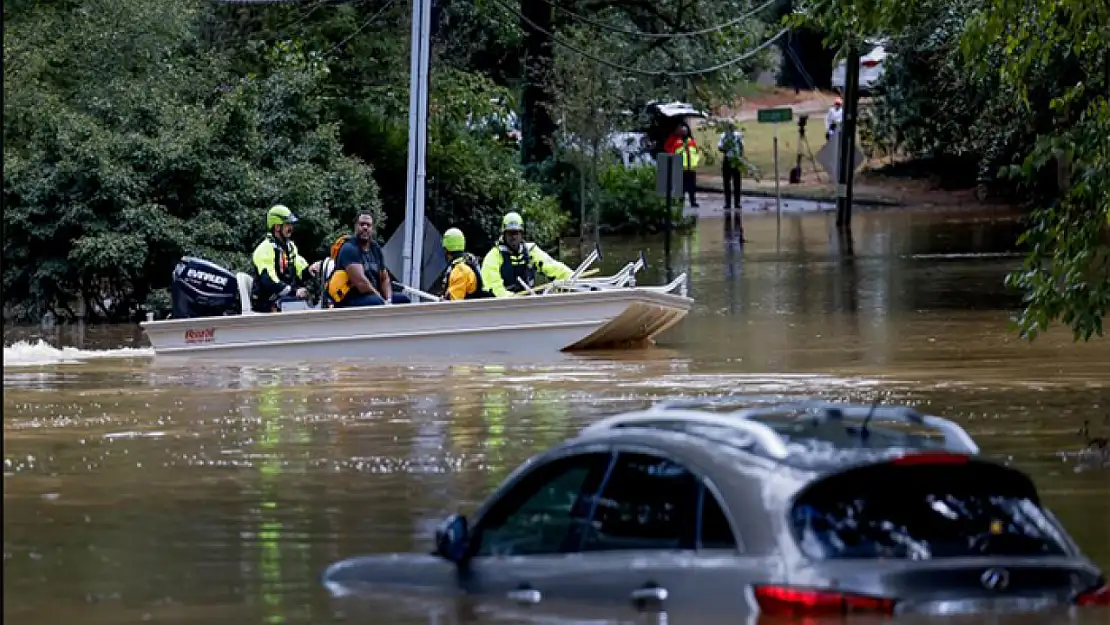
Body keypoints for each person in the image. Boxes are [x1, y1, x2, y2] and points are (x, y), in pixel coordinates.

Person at [481, 211, 573, 298]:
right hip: (504, 305)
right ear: (504, 234)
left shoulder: (530, 251)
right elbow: (493, 286)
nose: (514, 237)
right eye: (510, 233)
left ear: (521, 234)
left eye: (516, 233)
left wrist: (572, 277)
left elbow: (554, 267)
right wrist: (512, 298)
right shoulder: (494, 256)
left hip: (528, 300)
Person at [328, 212, 411, 307]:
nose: (365, 227)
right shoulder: (349, 249)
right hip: (352, 299)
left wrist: (388, 300)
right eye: (362, 224)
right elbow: (361, 283)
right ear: (356, 226)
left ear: (372, 228)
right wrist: (383, 301)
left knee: (404, 300)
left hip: (373, 296)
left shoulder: (375, 248)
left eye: (368, 225)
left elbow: (384, 278)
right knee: (377, 302)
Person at [250, 204, 321, 313]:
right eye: (288, 224)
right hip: (267, 302)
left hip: (282, 299)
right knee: (299, 304)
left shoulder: (289, 246)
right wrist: (294, 292)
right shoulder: (265, 248)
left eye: (291, 225)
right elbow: (269, 280)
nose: (291, 228)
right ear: (277, 227)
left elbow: (299, 268)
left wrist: (310, 270)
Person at [432, 228, 488, 301]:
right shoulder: (467, 262)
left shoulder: (459, 270)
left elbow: (453, 304)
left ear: (445, 249)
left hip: (467, 311)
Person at [667, 124, 700, 208]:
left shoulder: (691, 142)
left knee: (692, 187)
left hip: (691, 168)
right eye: (683, 131)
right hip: (682, 169)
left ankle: (693, 202)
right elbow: (672, 153)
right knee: (682, 187)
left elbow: (697, 153)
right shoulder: (677, 143)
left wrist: (695, 162)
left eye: (686, 131)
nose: (684, 133)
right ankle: (681, 202)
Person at [717, 121, 745, 210]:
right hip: (727, 159)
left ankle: (737, 203)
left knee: (737, 182)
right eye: (729, 126)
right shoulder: (723, 136)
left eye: (731, 126)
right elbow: (719, 147)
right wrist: (725, 147)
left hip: (736, 159)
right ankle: (727, 203)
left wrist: (740, 157)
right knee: (726, 182)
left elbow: (741, 146)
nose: (730, 128)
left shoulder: (738, 135)